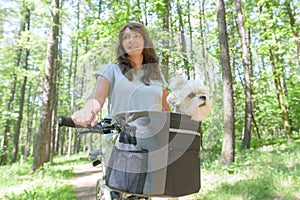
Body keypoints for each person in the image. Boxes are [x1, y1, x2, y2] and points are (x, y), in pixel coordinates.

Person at [72, 22, 170, 127]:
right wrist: (87, 110)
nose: (131, 40)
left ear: (145, 41)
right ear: (122, 45)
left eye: (136, 36)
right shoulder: (111, 70)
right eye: (126, 37)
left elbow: (166, 110)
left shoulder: (157, 75)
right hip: (122, 138)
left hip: (155, 138)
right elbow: (97, 98)